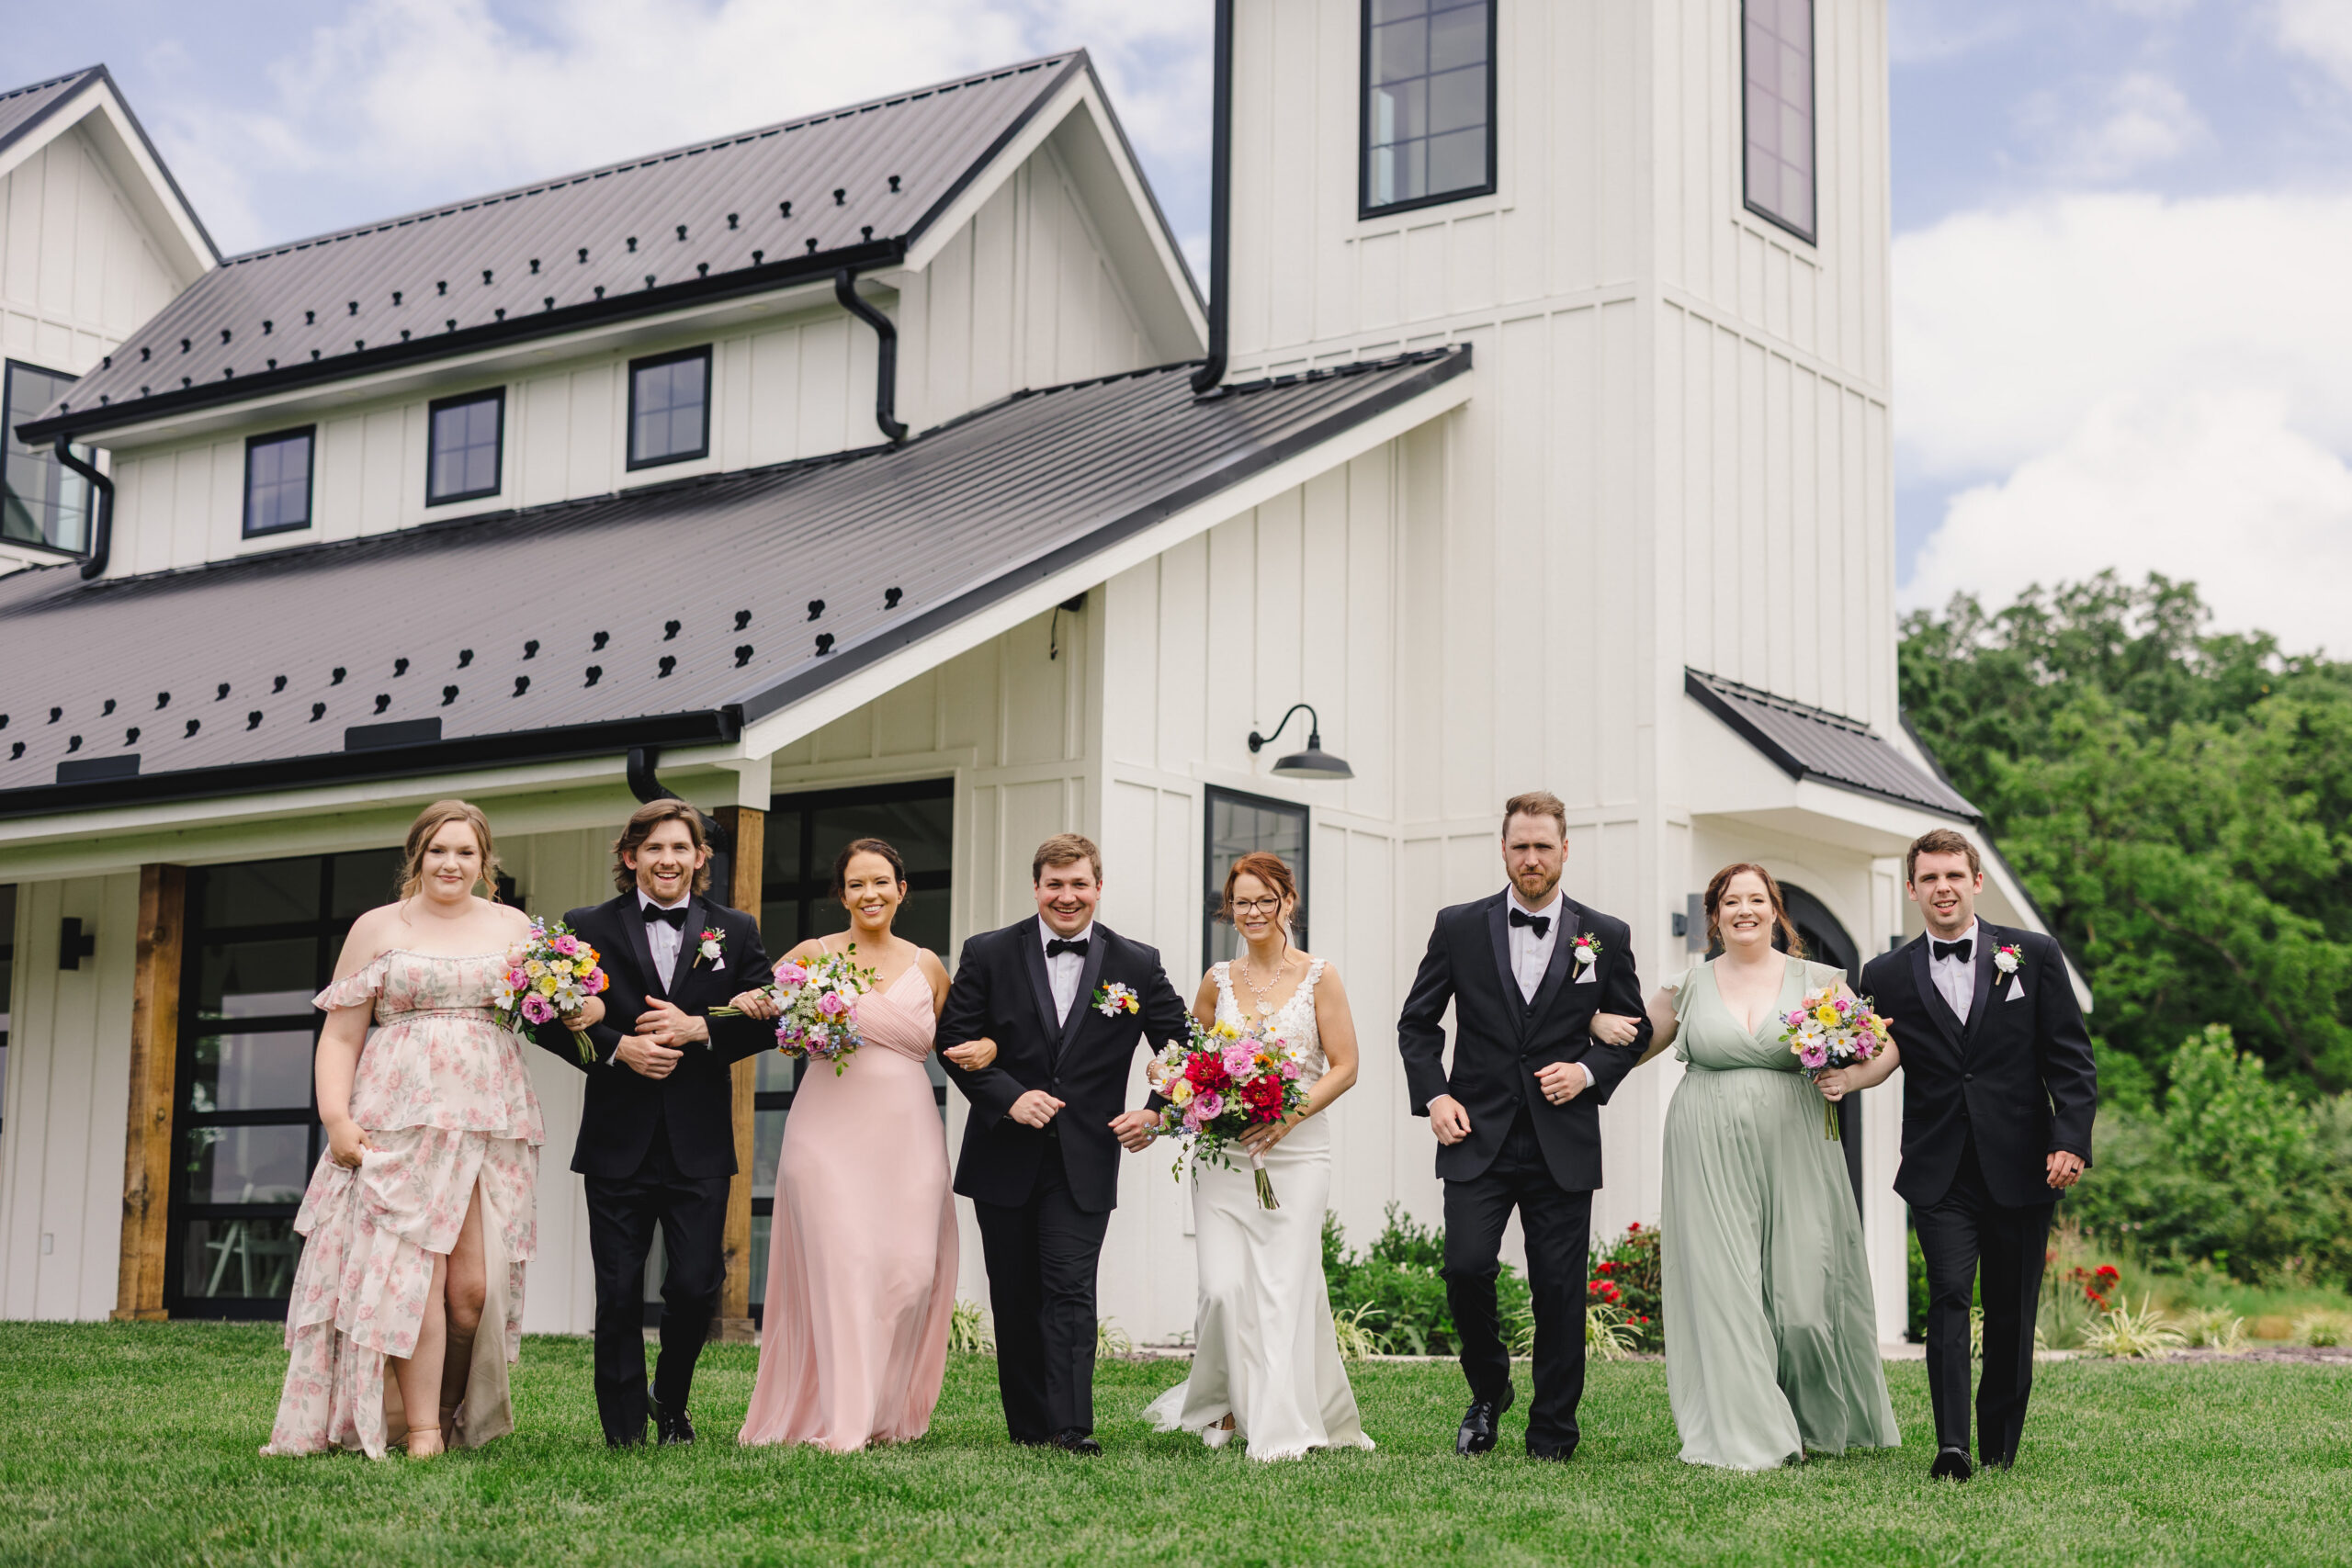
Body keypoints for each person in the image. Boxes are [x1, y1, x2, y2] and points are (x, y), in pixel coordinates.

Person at [264, 800, 558, 1460]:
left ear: (485, 863)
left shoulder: (513, 926)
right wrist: (337, 1118)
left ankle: (452, 1412)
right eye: (438, 850)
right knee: (413, 1286)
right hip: (397, 1121)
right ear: (416, 856)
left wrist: (584, 998)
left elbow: (559, 1011)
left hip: (489, 1123)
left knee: (471, 1293)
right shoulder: (375, 928)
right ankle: (421, 1428)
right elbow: (342, 1033)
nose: (451, 863)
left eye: (465, 852)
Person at [1600, 863, 1899, 1470]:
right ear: (1715, 914)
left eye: (1756, 899)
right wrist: (1592, 1018)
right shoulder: (1687, 985)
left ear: (1774, 909)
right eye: (1731, 900)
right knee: (1726, 1291)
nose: (1744, 910)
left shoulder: (1817, 981)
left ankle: (1816, 1418)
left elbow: (1885, 1048)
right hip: (1705, 1146)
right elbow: (1634, 1046)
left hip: (1799, 1145)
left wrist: (1850, 1075)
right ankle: (1753, 1433)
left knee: (1802, 1303)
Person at [1396, 791, 1652, 1462]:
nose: (1532, 858)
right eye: (1520, 846)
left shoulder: (1606, 934)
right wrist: (1435, 1096)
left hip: (1561, 1139)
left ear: (1566, 849)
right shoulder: (1458, 926)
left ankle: (1553, 1433)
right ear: (1503, 849)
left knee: (1560, 1288)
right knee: (1465, 1266)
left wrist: (1588, 1071)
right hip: (1474, 1133)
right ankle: (1489, 1389)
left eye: (1544, 846)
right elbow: (1418, 1024)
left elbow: (1633, 1030)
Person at [521, 799, 772, 1448]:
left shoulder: (735, 929)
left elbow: (772, 1014)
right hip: (616, 1136)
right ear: (630, 856)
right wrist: (614, 1046)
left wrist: (700, 1027)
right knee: (618, 1291)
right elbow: (540, 1015)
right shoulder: (586, 924)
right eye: (654, 848)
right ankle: (624, 1426)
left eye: (680, 848)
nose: (668, 859)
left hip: (700, 1137)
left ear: (699, 858)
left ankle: (673, 1399)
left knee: (695, 1285)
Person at [735, 838, 999, 1450]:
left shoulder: (928, 965)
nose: (870, 894)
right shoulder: (813, 954)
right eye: (856, 884)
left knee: (908, 1274)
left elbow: (962, 1038)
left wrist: (990, 1048)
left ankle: (883, 1411)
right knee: (845, 1267)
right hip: (826, 1134)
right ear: (842, 894)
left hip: (908, 1134)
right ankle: (842, 1425)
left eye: (881, 881)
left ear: (902, 889)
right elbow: (772, 1021)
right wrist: (757, 1002)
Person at [937, 832, 1189, 1454]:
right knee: (1015, 1293)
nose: (1067, 895)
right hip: (1004, 1153)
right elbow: (955, 1039)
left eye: (1079, 883)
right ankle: (1028, 1428)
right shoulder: (989, 952)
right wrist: (1007, 1095)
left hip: (1085, 1155)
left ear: (1098, 887)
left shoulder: (1138, 963)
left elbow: (1185, 1049)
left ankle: (1072, 1427)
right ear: (1037, 887)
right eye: (1055, 884)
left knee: (1072, 1290)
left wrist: (1156, 1113)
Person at [1861, 829, 2095, 1481]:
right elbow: (1869, 1051)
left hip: (2023, 1162)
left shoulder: (2035, 955)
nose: (1942, 888)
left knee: (2012, 1310)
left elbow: (2072, 1060)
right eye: (1929, 878)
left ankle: (1997, 1444)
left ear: (1976, 882)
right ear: (1912, 889)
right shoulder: (1883, 975)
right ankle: (1952, 1445)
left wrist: (2070, 1139)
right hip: (1939, 1167)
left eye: (1953, 876)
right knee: (1949, 1297)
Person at [1144, 852, 1374, 1461]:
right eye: (1241, 901)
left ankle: (1276, 1420)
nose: (1251, 911)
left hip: (1297, 1156)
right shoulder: (1216, 980)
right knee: (1221, 1286)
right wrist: (1169, 1076)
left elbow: (1346, 1065)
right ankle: (1221, 1397)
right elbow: (1189, 1056)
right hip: (1223, 1157)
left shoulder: (1320, 976)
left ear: (1286, 904)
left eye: (1263, 900)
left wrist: (1285, 1117)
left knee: (1281, 1287)